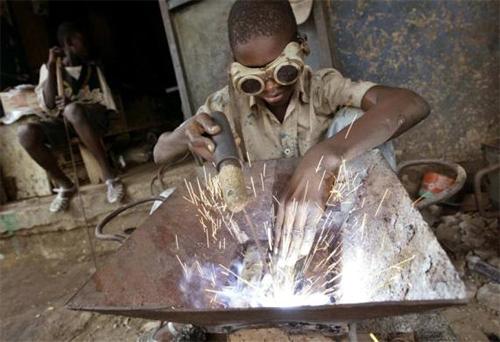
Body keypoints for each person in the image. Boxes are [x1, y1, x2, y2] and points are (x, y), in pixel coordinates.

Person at [153, 0, 430, 263]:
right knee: (166, 205)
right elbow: (160, 152)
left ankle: (368, 251)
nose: (271, 87)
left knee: (355, 121)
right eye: (254, 79)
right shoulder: (222, 106)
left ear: (301, 48)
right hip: (261, 228)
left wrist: (325, 156)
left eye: (283, 72)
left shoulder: (322, 87)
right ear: (235, 68)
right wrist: (185, 135)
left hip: (329, 218)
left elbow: (411, 104)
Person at [17, 22, 125, 212]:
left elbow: (105, 106)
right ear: (69, 43)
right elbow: (50, 104)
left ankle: (110, 177)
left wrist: (73, 106)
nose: (87, 46)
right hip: (63, 125)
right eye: (81, 41)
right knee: (25, 133)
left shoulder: (92, 69)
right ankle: (65, 184)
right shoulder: (51, 69)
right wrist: (51, 66)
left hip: (93, 121)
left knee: (72, 110)